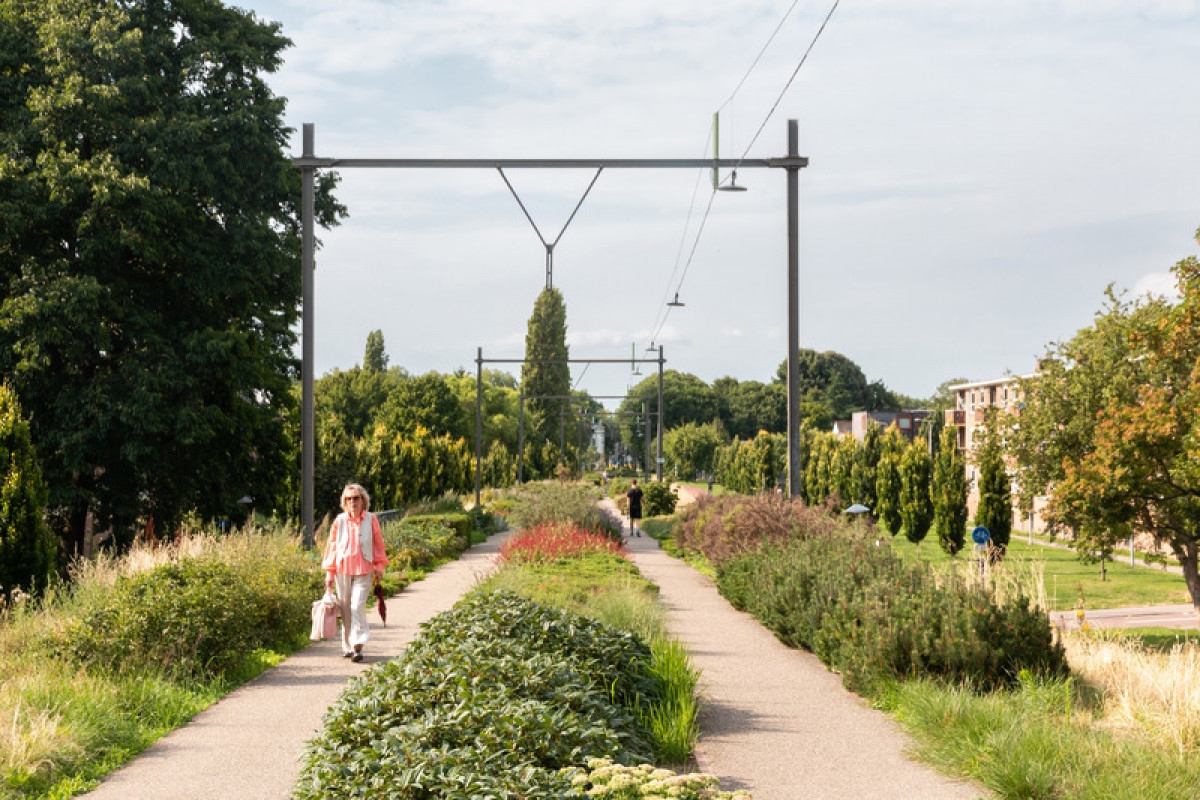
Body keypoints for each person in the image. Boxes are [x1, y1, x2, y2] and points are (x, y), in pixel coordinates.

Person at [322, 483, 388, 662]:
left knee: (357, 606)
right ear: (344, 501)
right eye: (349, 498)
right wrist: (329, 574)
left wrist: (379, 567)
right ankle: (347, 646)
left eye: (356, 498)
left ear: (362, 500)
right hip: (342, 571)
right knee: (345, 610)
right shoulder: (340, 520)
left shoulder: (371, 519)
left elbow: (378, 545)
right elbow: (332, 548)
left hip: (364, 571)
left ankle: (358, 646)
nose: (352, 501)